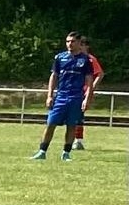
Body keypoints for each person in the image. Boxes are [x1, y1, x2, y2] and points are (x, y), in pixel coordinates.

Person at [30, 32, 93, 162]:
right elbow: (54, 76)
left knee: (71, 125)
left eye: (72, 41)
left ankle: (66, 153)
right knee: (50, 123)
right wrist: (49, 96)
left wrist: (87, 99)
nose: (70, 44)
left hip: (76, 97)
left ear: (79, 43)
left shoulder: (85, 60)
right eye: (67, 41)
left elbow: (89, 81)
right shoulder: (60, 57)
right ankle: (42, 151)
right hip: (61, 96)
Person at [72, 37, 103, 151]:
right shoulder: (75, 58)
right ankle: (74, 139)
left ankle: (78, 140)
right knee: (73, 115)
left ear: (87, 46)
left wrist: (92, 87)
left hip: (84, 92)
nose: (80, 47)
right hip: (73, 90)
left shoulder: (90, 59)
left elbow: (100, 73)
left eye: (82, 45)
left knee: (78, 115)